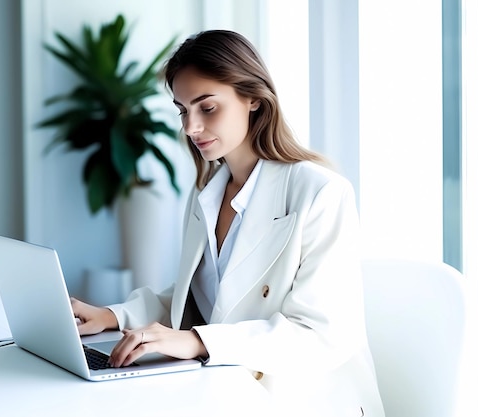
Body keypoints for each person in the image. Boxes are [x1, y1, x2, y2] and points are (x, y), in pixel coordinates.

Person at [71, 30, 385, 417]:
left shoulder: (320, 192)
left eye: (207, 107)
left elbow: (319, 334)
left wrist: (199, 341)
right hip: (220, 390)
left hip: (296, 400)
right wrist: (113, 316)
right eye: (183, 110)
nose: (190, 127)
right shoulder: (206, 192)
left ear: (253, 97)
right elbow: (200, 294)